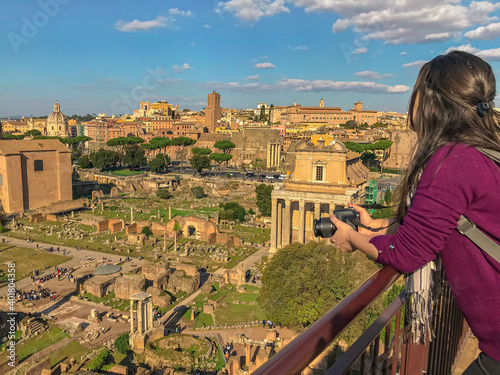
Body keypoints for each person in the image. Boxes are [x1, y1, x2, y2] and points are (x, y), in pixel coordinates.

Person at [328, 51, 500, 374]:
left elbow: (406, 253)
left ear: (435, 103)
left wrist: (351, 237)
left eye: (418, 92)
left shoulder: (452, 162)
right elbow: (437, 224)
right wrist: (376, 224)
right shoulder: (480, 153)